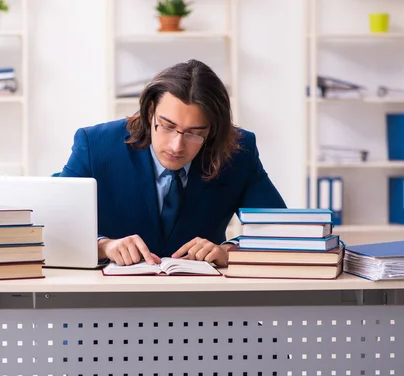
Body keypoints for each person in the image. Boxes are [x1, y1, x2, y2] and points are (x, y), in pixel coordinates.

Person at [60, 59, 286, 267]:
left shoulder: (239, 150)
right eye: (167, 126)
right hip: (107, 295)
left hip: (203, 298)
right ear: (150, 112)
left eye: (194, 133)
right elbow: (57, 226)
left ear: (213, 130)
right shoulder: (96, 145)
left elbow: (279, 230)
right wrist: (103, 245)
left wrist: (228, 251)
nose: (177, 146)